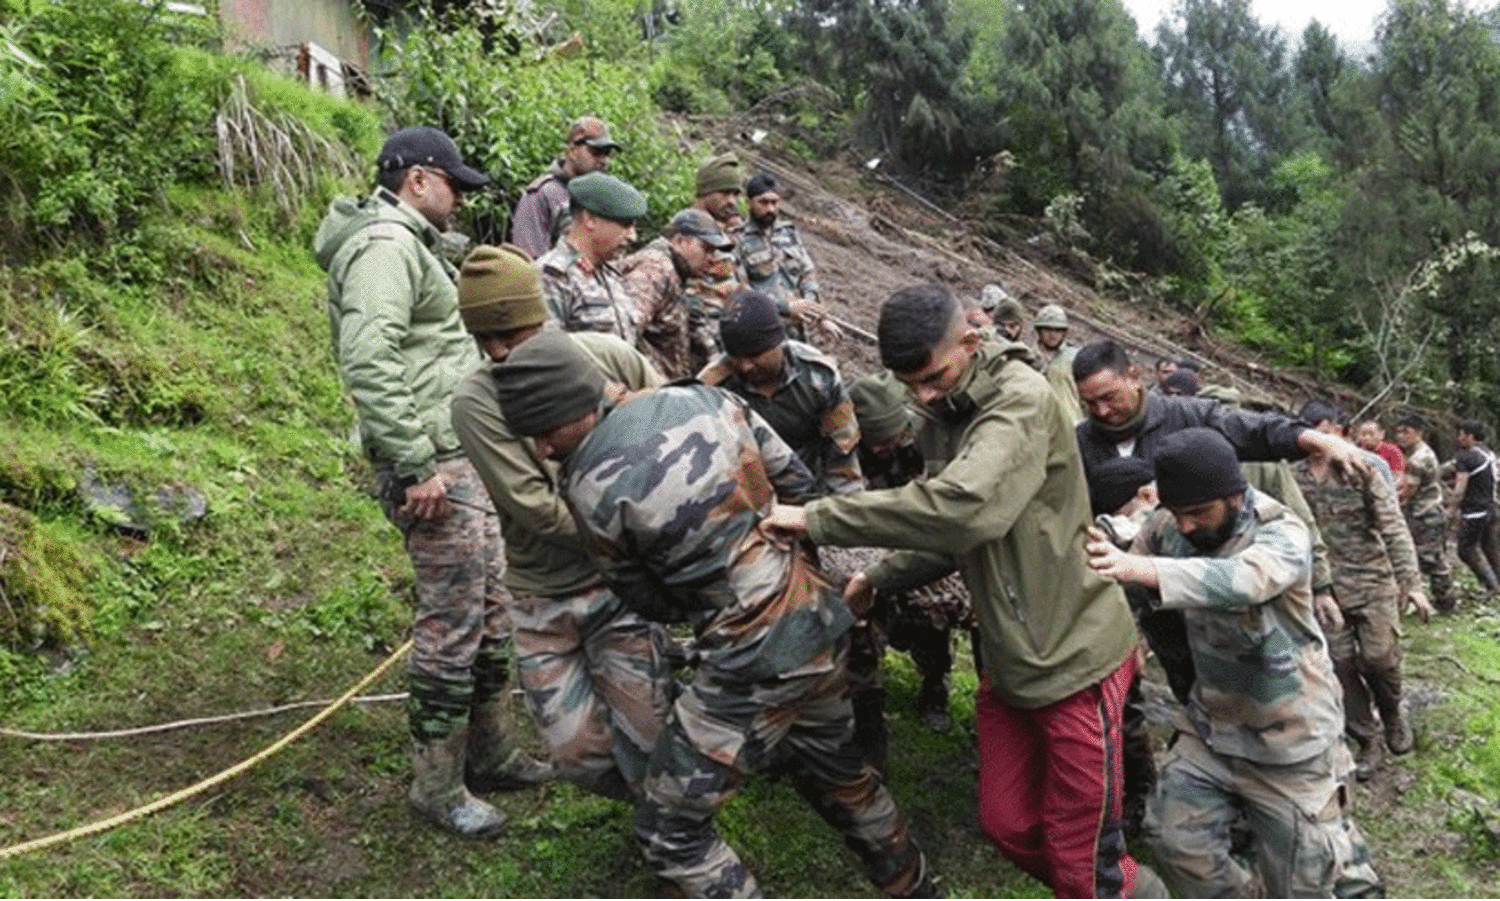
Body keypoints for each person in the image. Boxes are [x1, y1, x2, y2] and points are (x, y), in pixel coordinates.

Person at [493, 330, 937, 899]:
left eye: (544, 432)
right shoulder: (709, 399)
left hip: (753, 662)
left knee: (668, 830)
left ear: (575, 408)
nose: (541, 450)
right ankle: (917, 888)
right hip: (823, 627)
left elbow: (646, 598)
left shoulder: (587, 484)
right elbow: (801, 492)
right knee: (840, 777)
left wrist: (714, 594)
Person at [765, 284, 1160, 899]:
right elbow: (955, 533)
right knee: (1007, 825)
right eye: (909, 385)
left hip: (1074, 658)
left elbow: (964, 509)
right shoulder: (949, 411)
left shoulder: (1020, 400)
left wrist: (816, 517)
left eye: (933, 377)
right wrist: (879, 575)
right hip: (1010, 661)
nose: (922, 396)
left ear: (972, 343)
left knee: (1082, 857)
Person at [312, 126, 547, 836]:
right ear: (418, 178)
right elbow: (368, 355)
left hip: (459, 459)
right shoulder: (384, 248)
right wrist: (414, 463)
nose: (459, 199)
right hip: (433, 469)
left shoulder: (410, 244)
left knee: (493, 610)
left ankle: (493, 750)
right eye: (453, 184)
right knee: (451, 626)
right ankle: (437, 786)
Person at [1086, 428, 1382, 899]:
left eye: (1198, 513)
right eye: (1177, 512)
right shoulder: (1169, 525)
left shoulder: (1280, 531)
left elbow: (1244, 580)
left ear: (1233, 494)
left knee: (1308, 881)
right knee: (1175, 839)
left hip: (1290, 738)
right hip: (1213, 728)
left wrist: (1139, 568)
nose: (1185, 526)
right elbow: (1126, 552)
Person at [449, 244, 671, 803]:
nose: (499, 352)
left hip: (619, 587)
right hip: (544, 600)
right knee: (579, 756)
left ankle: (670, 830)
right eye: (485, 339)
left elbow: (674, 432)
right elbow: (535, 508)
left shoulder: (609, 357)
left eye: (513, 335)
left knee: (652, 742)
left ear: (541, 317)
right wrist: (639, 524)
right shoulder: (477, 402)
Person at [1292, 405, 1429, 781]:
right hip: (1322, 591)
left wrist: (1411, 583)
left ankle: (1392, 714)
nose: (1315, 439)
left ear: (1338, 430)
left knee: (1380, 659)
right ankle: (1365, 738)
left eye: (1322, 430)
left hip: (1371, 581)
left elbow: (1393, 527)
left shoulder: (1360, 469)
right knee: (1340, 665)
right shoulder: (1292, 477)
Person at [847, 371, 977, 733]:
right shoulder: (842, 451)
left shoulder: (922, 442)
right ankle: (860, 701)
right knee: (862, 621)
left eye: (886, 439)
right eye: (872, 441)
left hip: (916, 540)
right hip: (863, 543)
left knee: (931, 618)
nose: (879, 449)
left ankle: (935, 688)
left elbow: (939, 497)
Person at [699, 289, 863, 496]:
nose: (746, 366)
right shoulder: (712, 386)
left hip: (808, 483)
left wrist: (841, 511)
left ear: (778, 341)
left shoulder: (818, 377)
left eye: (754, 355)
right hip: (743, 488)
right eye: (736, 357)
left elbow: (842, 454)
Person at [619, 208, 734, 379]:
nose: (712, 258)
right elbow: (623, 331)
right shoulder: (656, 267)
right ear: (680, 240)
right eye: (707, 249)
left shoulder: (676, 270)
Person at [537, 171, 646, 345]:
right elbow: (547, 356)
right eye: (625, 225)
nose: (632, 237)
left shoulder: (611, 274)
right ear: (590, 219)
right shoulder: (552, 277)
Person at [509, 116, 620, 259]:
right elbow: (526, 261)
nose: (603, 161)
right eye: (596, 152)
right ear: (573, 151)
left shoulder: (598, 199)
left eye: (607, 154)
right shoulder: (543, 194)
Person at [736, 173, 829, 341]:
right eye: (763, 202)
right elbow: (742, 290)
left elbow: (807, 272)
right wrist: (785, 307)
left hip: (797, 331)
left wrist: (811, 307)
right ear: (749, 202)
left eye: (774, 202)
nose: (770, 209)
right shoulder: (737, 239)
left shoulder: (789, 233)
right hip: (762, 330)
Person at [1393, 414, 1459, 612]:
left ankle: (1429, 602)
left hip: (1423, 515)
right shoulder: (1421, 453)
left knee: (1425, 560)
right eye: (1398, 431)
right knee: (1436, 559)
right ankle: (1445, 603)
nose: (1401, 436)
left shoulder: (1418, 459)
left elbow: (1407, 492)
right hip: (1429, 512)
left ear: (1419, 432)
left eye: (1407, 431)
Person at [1447, 419, 1500, 593]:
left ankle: (1492, 587)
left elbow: (1460, 487)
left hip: (1475, 511)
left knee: (1465, 549)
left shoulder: (1466, 456)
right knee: (1490, 548)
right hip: (1491, 508)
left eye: (1461, 434)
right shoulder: (1487, 453)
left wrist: (1451, 510)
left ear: (1469, 436)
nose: (1458, 437)